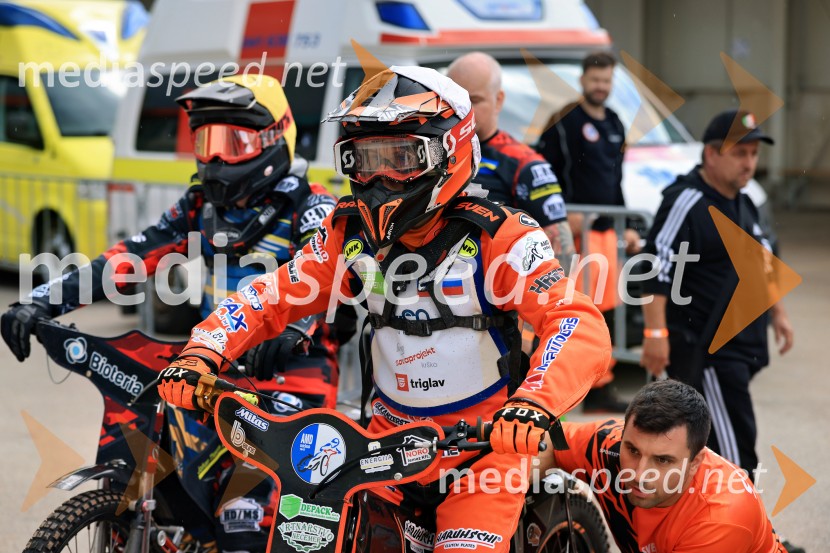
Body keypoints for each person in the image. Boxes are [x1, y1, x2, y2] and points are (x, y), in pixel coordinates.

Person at [157, 66, 612, 553]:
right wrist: (204, 351)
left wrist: (534, 403)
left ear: (447, 150)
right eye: (365, 158)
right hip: (382, 449)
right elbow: (272, 294)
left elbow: (576, 321)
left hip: (482, 454)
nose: (378, 177)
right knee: (321, 536)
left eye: (398, 157)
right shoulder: (348, 233)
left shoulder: (500, 235)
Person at [1, 74, 354, 552]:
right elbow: (126, 259)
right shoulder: (198, 206)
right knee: (151, 472)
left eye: (233, 143)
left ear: (275, 137)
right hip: (211, 367)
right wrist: (40, 300)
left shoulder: (312, 207)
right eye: (205, 142)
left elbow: (333, 281)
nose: (215, 159)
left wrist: (298, 329)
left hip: (291, 374)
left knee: (243, 521)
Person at [639, 109, 794, 479]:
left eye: (754, 154)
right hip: (709, 353)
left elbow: (763, 263)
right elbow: (655, 267)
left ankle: (726, 514)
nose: (749, 163)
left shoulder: (744, 202)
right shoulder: (687, 201)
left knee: (727, 447)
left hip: (740, 348)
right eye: (739, 153)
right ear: (710, 153)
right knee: (734, 453)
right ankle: (746, 515)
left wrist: (779, 314)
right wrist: (655, 333)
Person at [538, 379, 792, 553]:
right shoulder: (607, 445)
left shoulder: (721, 516)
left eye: (662, 460)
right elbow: (544, 444)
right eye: (633, 450)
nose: (639, 474)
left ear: (695, 462)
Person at [536, 51, 638, 413]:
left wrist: (626, 225)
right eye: (595, 79)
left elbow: (615, 180)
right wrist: (561, 216)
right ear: (582, 80)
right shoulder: (563, 122)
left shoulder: (615, 122)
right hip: (573, 236)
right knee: (576, 312)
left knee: (607, 312)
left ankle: (600, 386)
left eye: (606, 81)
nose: (600, 86)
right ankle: (569, 388)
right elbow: (542, 175)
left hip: (607, 231)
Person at [446, 52, 575, 270]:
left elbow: (561, 251)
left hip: (500, 283)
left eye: (474, 100)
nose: (463, 110)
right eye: (455, 101)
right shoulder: (432, 154)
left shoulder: (525, 164)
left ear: (498, 100)